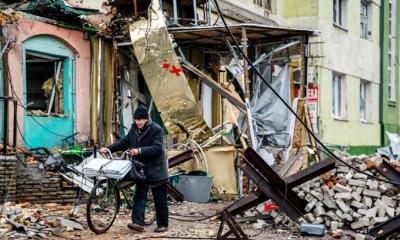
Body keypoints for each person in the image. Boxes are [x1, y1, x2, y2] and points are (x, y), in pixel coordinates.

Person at [100, 104, 169, 233]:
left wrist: (139, 151)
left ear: (146, 119)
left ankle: (163, 224)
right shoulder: (134, 129)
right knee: (139, 195)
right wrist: (108, 148)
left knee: (159, 199)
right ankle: (138, 223)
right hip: (140, 169)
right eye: (136, 120)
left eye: (140, 120)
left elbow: (157, 148)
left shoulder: (156, 129)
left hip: (156, 168)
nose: (137, 122)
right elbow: (123, 143)